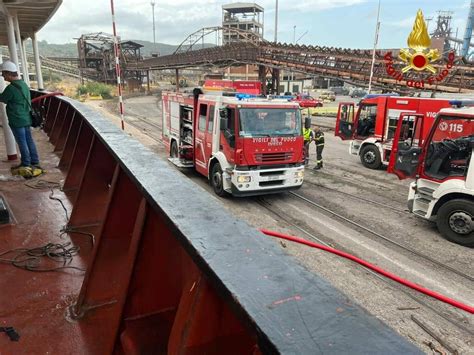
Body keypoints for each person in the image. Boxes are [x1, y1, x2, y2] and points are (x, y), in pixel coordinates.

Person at [0, 61, 42, 178]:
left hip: (17, 120)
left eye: (4, 74)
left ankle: (26, 164)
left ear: (9, 73)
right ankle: (35, 162)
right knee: (29, 140)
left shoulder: (11, 88)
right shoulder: (23, 84)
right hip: (26, 118)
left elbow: (2, 98)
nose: (3, 76)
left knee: (22, 142)